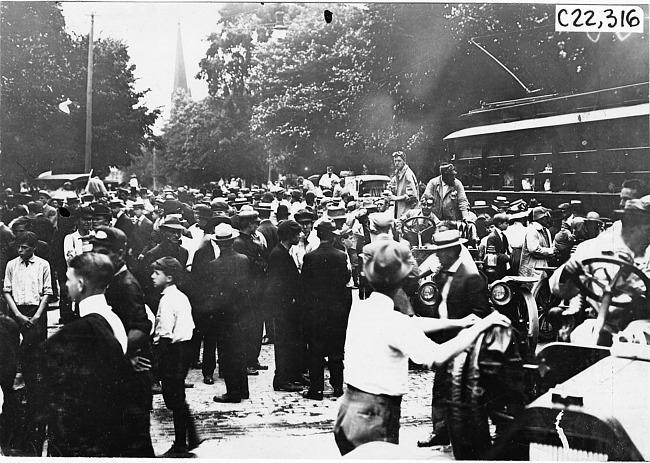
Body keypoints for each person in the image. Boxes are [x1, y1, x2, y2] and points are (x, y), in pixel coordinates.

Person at [334, 239, 509, 455]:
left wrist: (458, 323)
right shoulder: (394, 322)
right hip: (376, 415)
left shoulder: (361, 309)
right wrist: (483, 325)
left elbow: (413, 323)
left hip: (349, 409)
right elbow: (436, 355)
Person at [40, 252, 129, 456]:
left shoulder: (84, 329)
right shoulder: (113, 319)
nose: (65, 285)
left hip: (85, 435)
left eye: (68, 279)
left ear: (80, 284)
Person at [417, 230, 491, 448]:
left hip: (462, 342)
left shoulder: (471, 277)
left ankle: (465, 435)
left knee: (463, 390)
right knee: (440, 385)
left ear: (453, 251)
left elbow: (481, 314)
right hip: (444, 339)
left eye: (441, 252)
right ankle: (440, 431)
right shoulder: (442, 275)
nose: (437, 256)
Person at [89, 227, 155, 456]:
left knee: (134, 443)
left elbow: (141, 326)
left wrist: (121, 354)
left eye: (105, 252)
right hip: (118, 371)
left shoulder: (125, 284)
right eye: (95, 251)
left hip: (130, 376)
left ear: (122, 253)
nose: (98, 257)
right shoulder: (109, 279)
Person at [550, 196, 650, 346]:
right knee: (584, 336)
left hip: (640, 324)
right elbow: (559, 290)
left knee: (637, 339)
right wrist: (569, 270)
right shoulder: (594, 247)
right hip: (599, 322)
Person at [2, 231, 52, 452]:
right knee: (15, 352)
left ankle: (34, 396)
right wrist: (19, 316)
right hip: (17, 312)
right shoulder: (12, 265)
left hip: (36, 312)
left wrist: (37, 316)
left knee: (34, 354)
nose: (19, 250)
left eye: (23, 247)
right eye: (18, 247)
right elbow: (7, 291)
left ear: (32, 247)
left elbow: (47, 293)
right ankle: (16, 391)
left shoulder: (43, 265)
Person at [150, 257, 201, 457]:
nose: (152, 277)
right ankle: (190, 438)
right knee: (177, 397)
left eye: (157, 273)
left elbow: (165, 334)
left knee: (174, 399)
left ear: (169, 277)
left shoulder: (168, 300)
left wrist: (157, 363)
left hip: (172, 351)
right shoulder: (180, 297)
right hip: (183, 350)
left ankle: (181, 445)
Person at [302, 218, 352, 400]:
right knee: (336, 350)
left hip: (316, 311)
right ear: (332, 237)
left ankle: (316, 389)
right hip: (336, 310)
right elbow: (346, 278)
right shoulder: (340, 256)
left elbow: (304, 285)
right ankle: (338, 386)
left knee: (315, 349)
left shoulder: (309, 257)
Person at [207, 223, 251, 402]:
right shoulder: (244, 260)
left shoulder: (213, 265)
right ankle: (243, 389)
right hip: (241, 313)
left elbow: (214, 294)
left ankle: (233, 392)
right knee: (240, 351)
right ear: (232, 241)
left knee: (227, 354)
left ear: (217, 244)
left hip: (224, 316)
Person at [264, 220, 304, 393]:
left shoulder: (283, 253)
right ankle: (281, 379)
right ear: (289, 236)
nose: (299, 237)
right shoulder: (278, 255)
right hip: (283, 308)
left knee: (292, 342)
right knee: (283, 343)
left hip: (287, 307)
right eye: (296, 234)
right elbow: (276, 285)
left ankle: (293, 374)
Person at [233, 210, 268, 375]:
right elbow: (253, 265)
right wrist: (260, 253)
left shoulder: (252, 241)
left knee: (257, 326)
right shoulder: (239, 243)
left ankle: (253, 359)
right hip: (248, 291)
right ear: (248, 224)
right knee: (249, 327)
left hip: (257, 290)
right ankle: (247, 362)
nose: (257, 226)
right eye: (255, 223)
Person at [519, 206, 557, 282]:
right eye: (546, 218)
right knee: (531, 290)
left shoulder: (546, 230)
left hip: (542, 266)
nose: (548, 220)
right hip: (532, 267)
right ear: (541, 218)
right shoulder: (532, 230)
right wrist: (551, 251)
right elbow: (534, 249)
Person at [386, 151, 419, 220]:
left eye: (399, 161)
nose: (397, 163)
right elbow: (398, 189)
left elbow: (412, 195)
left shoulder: (407, 174)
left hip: (408, 210)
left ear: (404, 161)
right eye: (395, 161)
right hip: (400, 209)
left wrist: (395, 198)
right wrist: (391, 189)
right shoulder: (398, 173)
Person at [485, 213, 511, 282]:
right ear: (499, 224)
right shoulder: (492, 237)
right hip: (495, 269)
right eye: (506, 223)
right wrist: (506, 257)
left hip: (502, 267)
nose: (508, 225)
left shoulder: (503, 236)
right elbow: (491, 255)